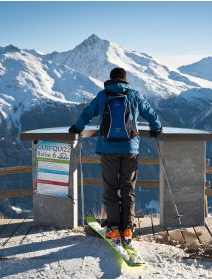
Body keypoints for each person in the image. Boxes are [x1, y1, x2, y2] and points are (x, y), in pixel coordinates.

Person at [69, 67, 162, 246]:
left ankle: (112, 228)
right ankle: (127, 228)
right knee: (128, 189)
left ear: (111, 79)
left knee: (111, 188)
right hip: (130, 148)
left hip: (108, 147)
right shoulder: (134, 95)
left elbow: (87, 113)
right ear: (125, 80)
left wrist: (77, 127)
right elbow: (150, 113)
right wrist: (157, 127)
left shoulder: (103, 95)